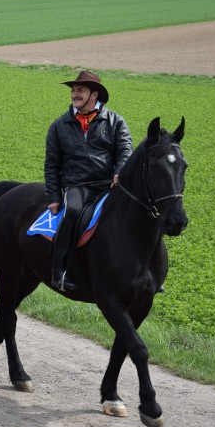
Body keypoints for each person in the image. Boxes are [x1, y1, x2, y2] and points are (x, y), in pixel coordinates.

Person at [44, 71, 133, 291]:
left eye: (80, 90)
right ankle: (59, 272)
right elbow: (51, 165)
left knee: (140, 211)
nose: (75, 93)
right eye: (73, 90)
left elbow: (125, 151)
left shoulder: (115, 121)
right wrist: (54, 197)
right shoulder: (59, 125)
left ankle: (147, 271)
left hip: (109, 184)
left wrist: (119, 171)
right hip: (77, 186)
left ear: (94, 94)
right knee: (72, 211)